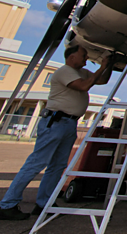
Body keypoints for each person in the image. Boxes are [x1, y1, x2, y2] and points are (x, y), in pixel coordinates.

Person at [0, 46, 112, 220]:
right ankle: (7, 204)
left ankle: (44, 203)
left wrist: (110, 64)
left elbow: (102, 80)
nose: (86, 58)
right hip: (56, 123)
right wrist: (102, 66)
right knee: (36, 163)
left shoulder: (81, 71)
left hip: (68, 123)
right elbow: (83, 86)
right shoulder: (65, 71)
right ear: (71, 57)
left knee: (57, 166)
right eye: (83, 56)